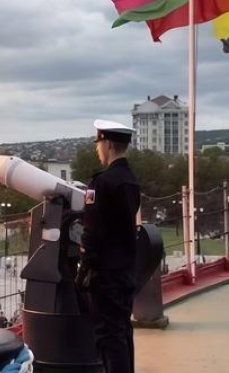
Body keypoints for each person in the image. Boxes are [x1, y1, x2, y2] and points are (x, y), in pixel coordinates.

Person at [75, 119, 140, 373]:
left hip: (105, 273)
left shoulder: (101, 184)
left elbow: (93, 231)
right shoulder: (130, 180)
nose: (96, 148)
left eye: (98, 143)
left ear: (109, 144)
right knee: (122, 331)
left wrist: (82, 270)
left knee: (108, 337)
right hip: (125, 269)